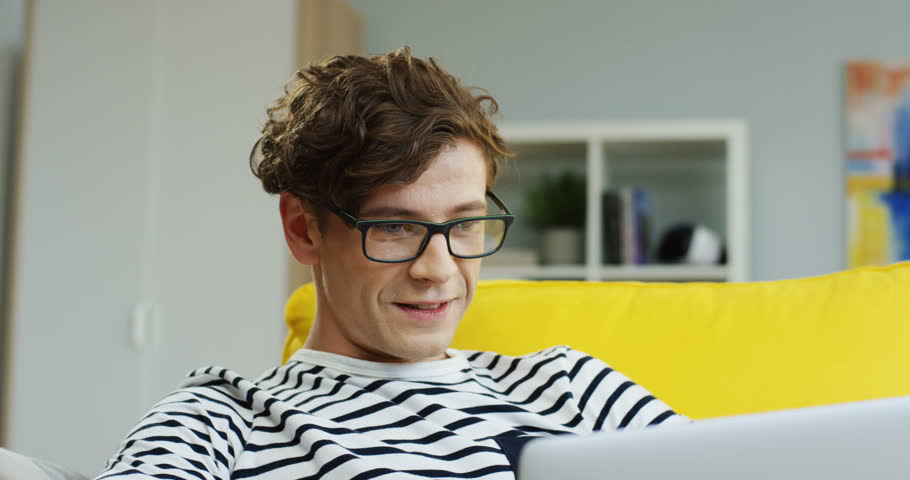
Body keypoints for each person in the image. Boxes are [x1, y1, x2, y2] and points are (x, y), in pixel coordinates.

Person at [96, 46, 688, 480]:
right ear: (304, 229)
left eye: (463, 222)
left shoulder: (571, 389)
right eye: (396, 226)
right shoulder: (217, 422)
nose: (439, 268)